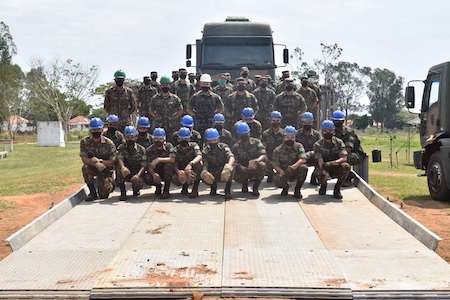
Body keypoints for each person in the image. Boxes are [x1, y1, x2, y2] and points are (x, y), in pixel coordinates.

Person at [80, 118, 116, 201]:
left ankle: (110, 183)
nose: (96, 131)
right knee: (85, 168)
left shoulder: (109, 143)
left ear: (102, 129)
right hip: (93, 168)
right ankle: (92, 193)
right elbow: (84, 159)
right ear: (90, 130)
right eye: (94, 129)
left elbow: (112, 161)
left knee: (103, 195)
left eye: (98, 129)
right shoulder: (84, 142)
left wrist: (100, 162)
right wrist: (95, 164)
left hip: (106, 170)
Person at [314, 120, 351, 199]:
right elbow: (319, 160)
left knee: (346, 166)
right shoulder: (318, 144)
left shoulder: (339, 142)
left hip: (336, 166)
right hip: (324, 167)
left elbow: (344, 158)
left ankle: (337, 189)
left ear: (333, 131)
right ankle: (323, 186)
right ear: (322, 131)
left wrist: (332, 163)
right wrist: (324, 170)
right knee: (320, 173)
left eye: (330, 130)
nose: (327, 132)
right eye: (325, 131)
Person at [272, 126, 308, 199]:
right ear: (284, 137)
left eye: (292, 137)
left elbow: (303, 159)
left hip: (295, 170)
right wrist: (280, 171)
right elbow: (275, 164)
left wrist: (293, 167)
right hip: (284, 172)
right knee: (276, 179)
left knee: (304, 168)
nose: (290, 139)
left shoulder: (299, 146)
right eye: (288, 137)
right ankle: (285, 188)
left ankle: (297, 190)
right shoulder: (277, 150)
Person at [232, 122, 266, 197]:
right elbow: (234, 160)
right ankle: (244, 184)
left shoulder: (256, 142)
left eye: (246, 133)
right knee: (236, 168)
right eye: (242, 134)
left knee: (262, 165)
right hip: (242, 168)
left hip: (254, 166)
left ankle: (255, 187)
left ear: (249, 132)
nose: (244, 136)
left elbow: (263, 154)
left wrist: (257, 160)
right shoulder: (236, 146)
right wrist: (239, 166)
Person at [332, 110, 365, 185]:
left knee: (345, 159)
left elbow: (348, 149)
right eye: (335, 121)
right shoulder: (332, 132)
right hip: (339, 153)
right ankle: (344, 175)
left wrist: (335, 159)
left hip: (355, 154)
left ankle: (347, 178)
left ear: (343, 121)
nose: (337, 123)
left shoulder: (349, 132)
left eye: (339, 121)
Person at [201, 128, 235, 199]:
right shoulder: (205, 150)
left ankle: (227, 191)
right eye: (210, 140)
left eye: (214, 140)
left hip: (223, 171)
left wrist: (228, 166)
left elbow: (231, 157)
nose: (213, 142)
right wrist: (204, 172)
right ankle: (213, 188)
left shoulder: (224, 146)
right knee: (204, 174)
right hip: (212, 172)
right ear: (207, 141)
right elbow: (205, 163)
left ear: (218, 139)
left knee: (232, 167)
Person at [116, 126, 147, 201]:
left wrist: (138, 175)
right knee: (119, 168)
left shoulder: (141, 149)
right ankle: (123, 192)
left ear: (136, 137)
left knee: (137, 182)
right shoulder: (121, 147)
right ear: (125, 137)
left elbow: (143, 165)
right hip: (126, 172)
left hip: (137, 173)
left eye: (132, 137)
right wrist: (123, 167)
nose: (130, 139)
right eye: (128, 137)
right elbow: (119, 158)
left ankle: (136, 190)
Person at [172, 127, 203, 198]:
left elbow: (199, 156)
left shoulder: (194, 145)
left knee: (199, 163)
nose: (184, 140)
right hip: (180, 174)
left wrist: (190, 164)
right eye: (182, 138)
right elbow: (173, 162)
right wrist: (178, 172)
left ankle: (194, 190)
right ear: (178, 139)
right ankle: (184, 187)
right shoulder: (175, 149)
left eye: (186, 138)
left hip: (191, 170)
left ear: (189, 138)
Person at [146, 128, 175, 199]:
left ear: (164, 139)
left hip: (167, 172)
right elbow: (148, 165)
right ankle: (158, 187)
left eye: (160, 138)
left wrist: (158, 159)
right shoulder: (149, 150)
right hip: (156, 171)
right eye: (156, 138)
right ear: (153, 139)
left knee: (169, 165)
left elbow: (172, 159)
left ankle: (166, 191)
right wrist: (153, 174)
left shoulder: (169, 146)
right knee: (147, 178)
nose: (158, 141)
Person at [296, 112, 322, 185]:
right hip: (300, 157)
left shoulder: (317, 135)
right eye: (305, 122)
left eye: (309, 122)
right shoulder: (297, 134)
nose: (307, 124)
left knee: (321, 157)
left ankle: (314, 177)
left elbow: (320, 148)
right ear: (302, 122)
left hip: (312, 156)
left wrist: (309, 154)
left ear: (312, 122)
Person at [262, 111, 284, 183]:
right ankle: (270, 173)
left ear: (280, 120)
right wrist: (265, 157)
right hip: (270, 157)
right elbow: (263, 147)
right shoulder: (266, 133)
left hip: (281, 156)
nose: (275, 122)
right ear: (270, 121)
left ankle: (280, 173)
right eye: (273, 120)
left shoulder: (284, 133)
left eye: (277, 120)